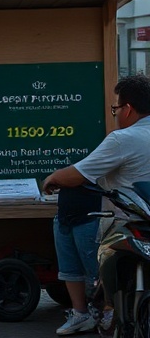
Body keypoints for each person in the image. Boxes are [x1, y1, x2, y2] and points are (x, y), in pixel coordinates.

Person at [42, 73, 150, 336]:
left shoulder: (123, 139)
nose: (114, 114)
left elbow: (77, 174)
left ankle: (105, 310)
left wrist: (52, 178)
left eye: (116, 108)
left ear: (128, 109)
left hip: (129, 223)